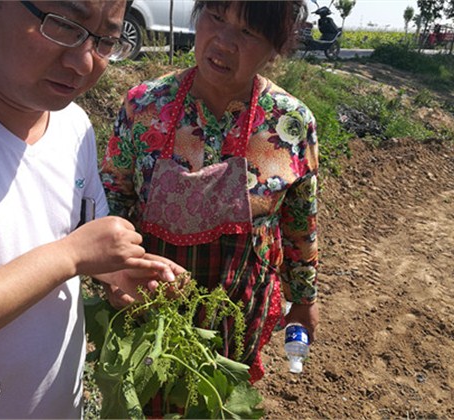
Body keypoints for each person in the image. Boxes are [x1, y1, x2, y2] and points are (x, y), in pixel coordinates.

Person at [0, 1, 184, 418]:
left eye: (106, 40)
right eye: (63, 25)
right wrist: (69, 256)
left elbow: (67, 234)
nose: (83, 61)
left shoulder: (72, 126)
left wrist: (115, 270)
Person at [100, 0, 320, 384]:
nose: (223, 41)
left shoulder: (290, 123)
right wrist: (114, 274)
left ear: (274, 48)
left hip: (238, 314)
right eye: (216, 17)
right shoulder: (145, 106)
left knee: (220, 398)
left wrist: (303, 299)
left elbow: (299, 222)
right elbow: (112, 202)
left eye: (248, 32)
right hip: (150, 305)